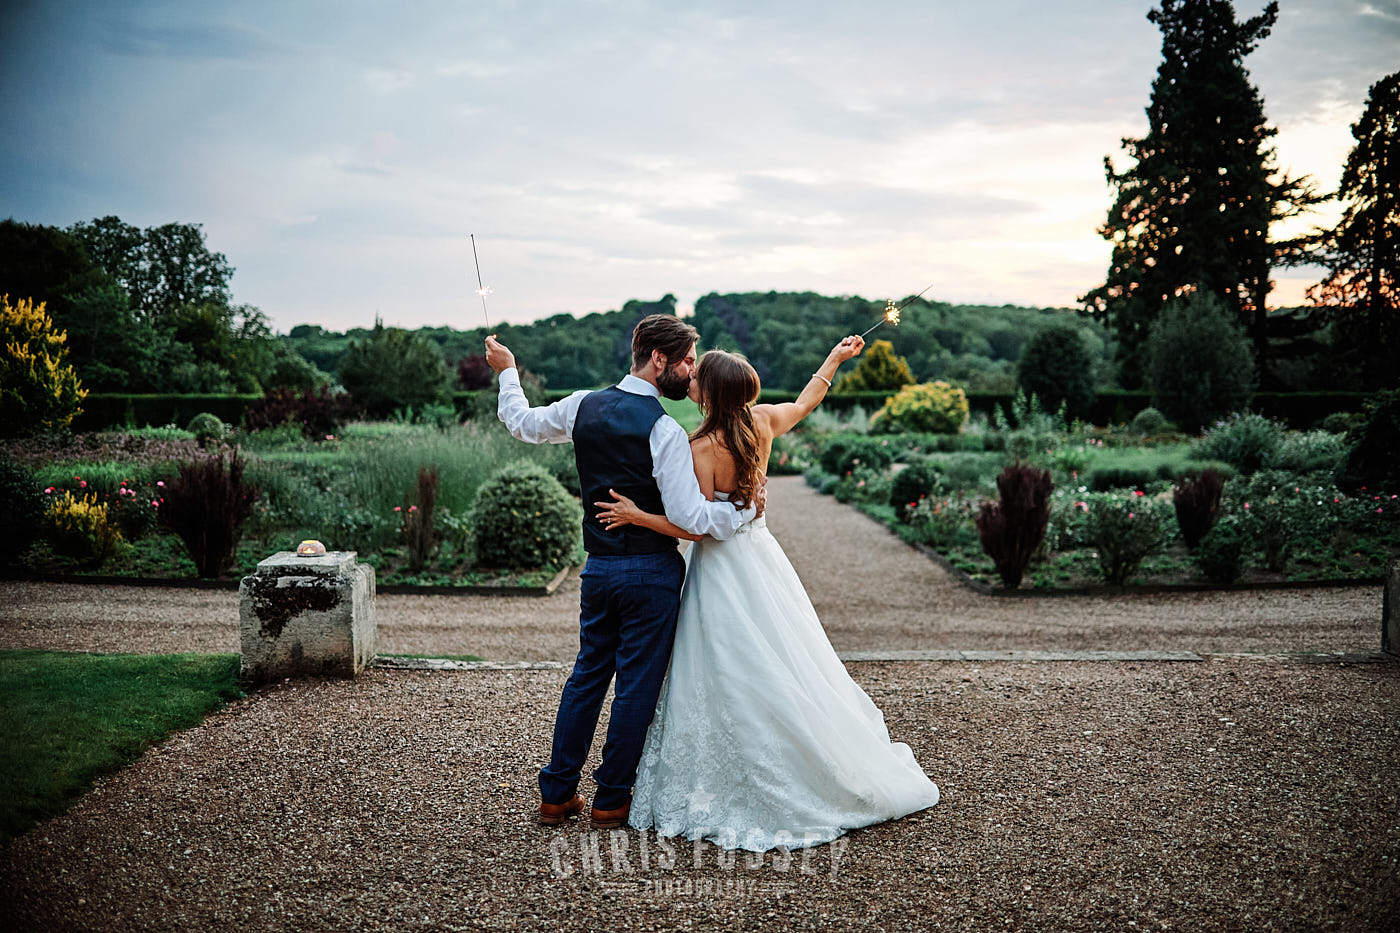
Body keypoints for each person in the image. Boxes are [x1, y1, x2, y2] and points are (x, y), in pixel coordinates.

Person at [594, 335, 941, 851]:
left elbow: (696, 528)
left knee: (724, 663)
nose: (689, 377)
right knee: (781, 655)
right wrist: (835, 358)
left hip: (721, 571)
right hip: (762, 559)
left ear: (710, 393)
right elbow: (805, 402)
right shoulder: (761, 422)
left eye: (697, 375)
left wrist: (637, 515)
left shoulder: (699, 448)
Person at [485, 315, 757, 831]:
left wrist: (508, 370)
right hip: (651, 573)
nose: (691, 371)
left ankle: (556, 795)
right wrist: (743, 510)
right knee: (635, 687)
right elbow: (692, 520)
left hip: (599, 570)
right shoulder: (664, 430)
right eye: (686, 361)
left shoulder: (581, 404)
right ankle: (610, 801)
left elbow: (521, 423)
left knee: (586, 678)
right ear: (659, 359)